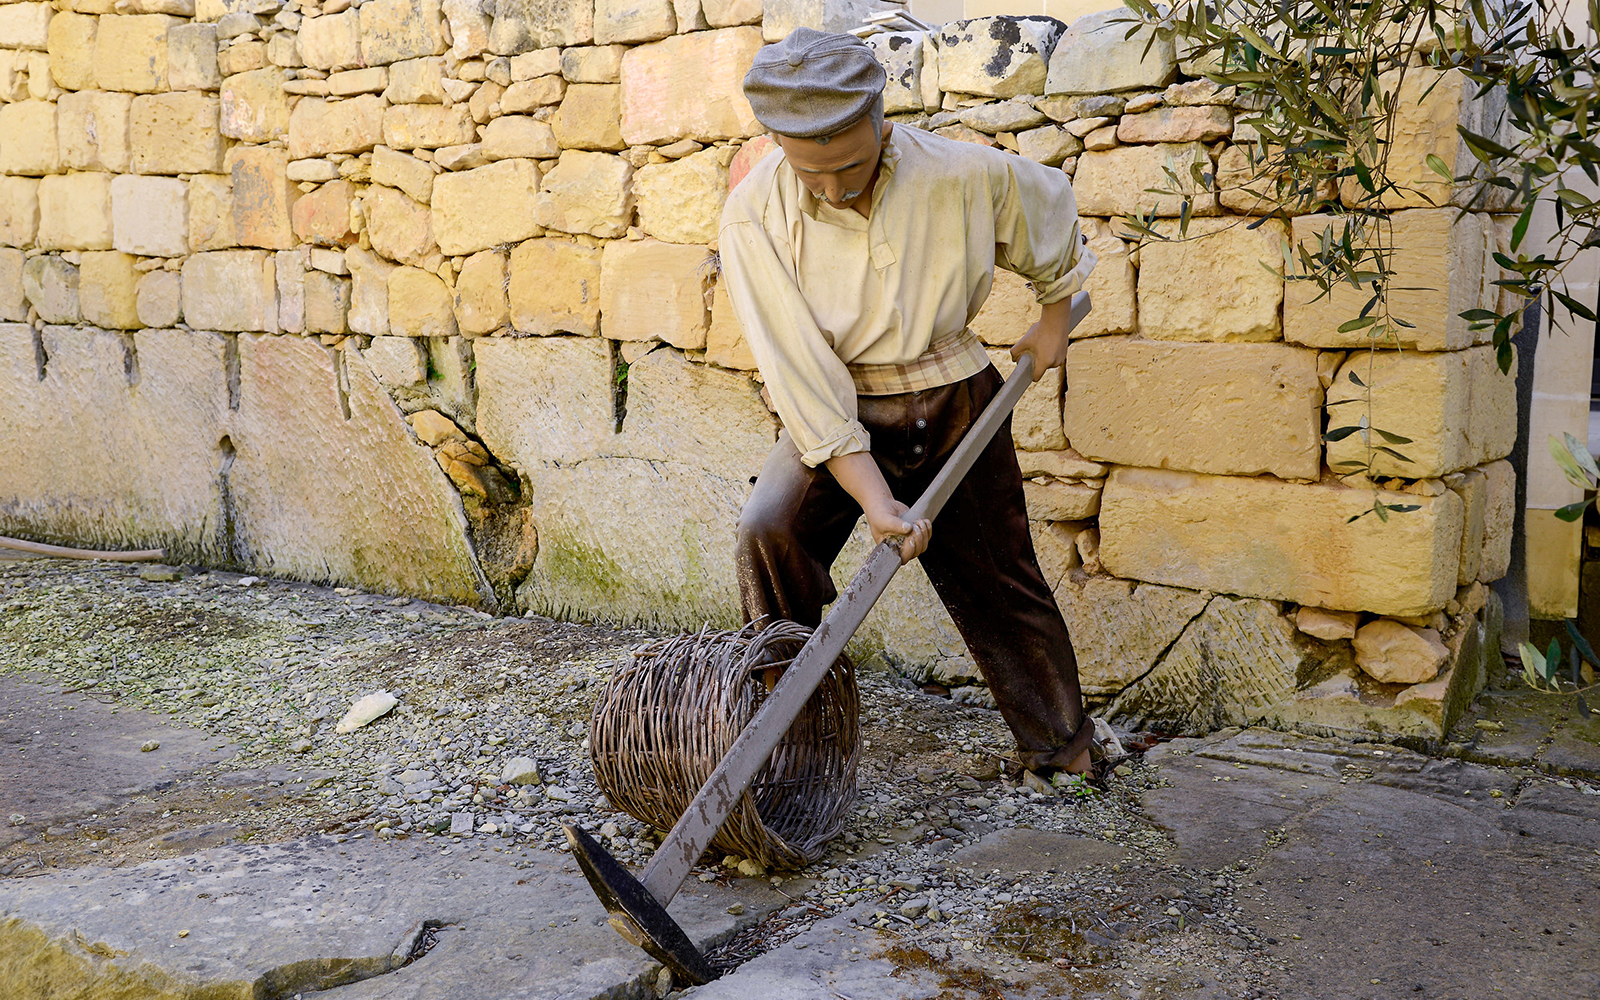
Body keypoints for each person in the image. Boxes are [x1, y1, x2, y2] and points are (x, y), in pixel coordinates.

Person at [719, 27, 1100, 777]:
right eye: (810, 173)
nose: (833, 187)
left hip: (958, 397)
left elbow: (1043, 207)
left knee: (1002, 577)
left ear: (879, 121)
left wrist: (1055, 313)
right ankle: (786, 753)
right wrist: (873, 497)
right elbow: (800, 371)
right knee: (769, 534)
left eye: (850, 166)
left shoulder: (959, 173)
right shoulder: (754, 215)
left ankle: (1064, 750)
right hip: (840, 411)